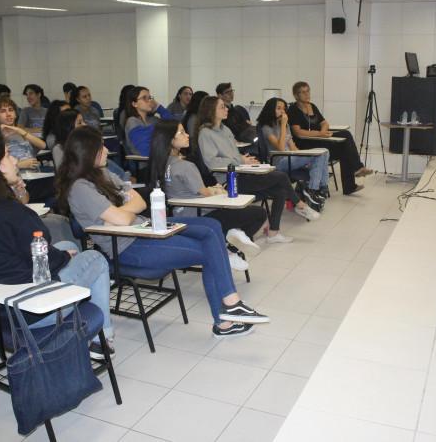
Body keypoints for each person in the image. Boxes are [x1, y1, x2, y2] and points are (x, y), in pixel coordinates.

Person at [56, 126, 270, 337]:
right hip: (128, 247)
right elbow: (123, 217)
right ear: (86, 152)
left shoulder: (102, 174)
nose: (106, 150)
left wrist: (123, 213)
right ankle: (228, 314)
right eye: (100, 147)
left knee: (211, 227)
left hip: (143, 228)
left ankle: (229, 312)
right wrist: (125, 212)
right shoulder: (80, 188)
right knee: (210, 251)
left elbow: (139, 201)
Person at [0, 133, 115, 356]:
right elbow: (45, 255)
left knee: (63, 245)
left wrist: (62, 255)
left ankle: (89, 332)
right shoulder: (10, 212)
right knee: (94, 259)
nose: (14, 160)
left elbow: (24, 251)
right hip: (30, 313)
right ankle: (103, 338)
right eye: (8, 155)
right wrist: (66, 259)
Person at [196, 96, 320, 244]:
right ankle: (300, 205)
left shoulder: (225, 129)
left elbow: (234, 154)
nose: (226, 109)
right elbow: (212, 162)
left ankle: (273, 233)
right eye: (222, 107)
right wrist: (240, 160)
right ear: (211, 111)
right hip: (229, 181)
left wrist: (245, 160)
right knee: (280, 177)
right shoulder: (205, 133)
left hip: (242, 173)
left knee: (280, 190)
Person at [149, 121, 265, 271]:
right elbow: (204, 192)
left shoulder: (161, 164)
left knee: (234, 213)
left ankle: (229, 240)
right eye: (182, 132)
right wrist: (217, 190)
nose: (188, 135)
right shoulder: (185, 166)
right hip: (201, 214)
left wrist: (212, 189)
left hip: (179, 215)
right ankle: (228, 248)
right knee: (258, 213)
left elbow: (194, 190)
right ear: (171, 140)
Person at [287, 81, 372, 195]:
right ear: (296, 95)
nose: (307, 94)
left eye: (308, 91)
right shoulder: (293, 110)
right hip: (306, 144)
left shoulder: (312, 106)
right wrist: (319, 134)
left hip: (320, 140)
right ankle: (356, 170)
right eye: (303, 92)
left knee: (345, 141)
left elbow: (325, 123)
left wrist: (322, 131)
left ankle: (350, 184)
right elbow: (298, 133)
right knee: (345, 138)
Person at [258, 97, 329, 211]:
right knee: (318, 156)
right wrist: (283, 126)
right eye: (279, 108)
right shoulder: (267, 127)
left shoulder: (284, 125)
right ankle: (313, 190)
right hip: (278, 162)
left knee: (324, 152)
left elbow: (292, 147)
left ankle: (320, 188)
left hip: (291, 158)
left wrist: (304, 157)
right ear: (271, 109)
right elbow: (281, 148)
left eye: (284, 109)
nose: (282, 111)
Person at [0, 96, 45, 169]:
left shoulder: (22, 133)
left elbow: (43, 146)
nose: (8, 114)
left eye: (10, 110)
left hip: (34, 174)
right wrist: (18, 165)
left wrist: (21, 131)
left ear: (15, 114)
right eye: (3, 111)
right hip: (14, 177)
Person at [124, 86, 157, 156]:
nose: (149, 101)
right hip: (146, 163)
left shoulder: (153, 119)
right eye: (144, 98)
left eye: (150, 98)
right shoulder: (132, 121)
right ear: (134, 104)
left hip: (160, 159)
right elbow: (145, 151)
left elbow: (175, 124)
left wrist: (158, 107)